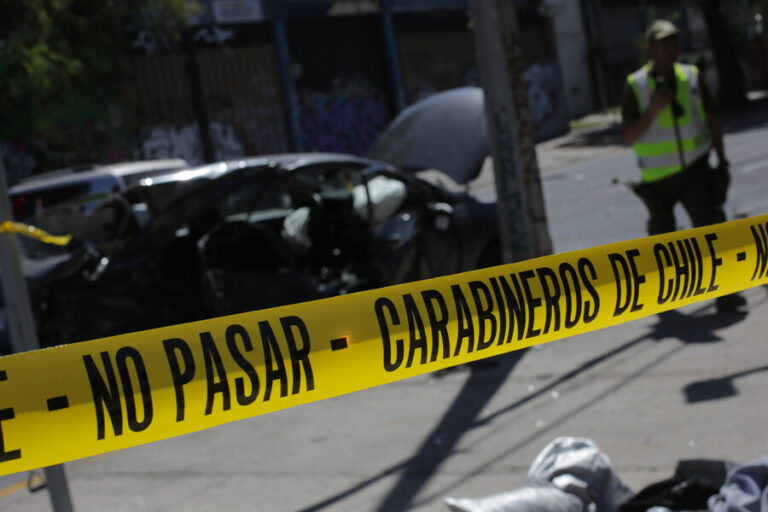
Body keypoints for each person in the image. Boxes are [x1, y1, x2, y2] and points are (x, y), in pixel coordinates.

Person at [621, 19, 746, 314]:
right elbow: (628, 134)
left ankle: (726, 294)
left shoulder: (691, 76)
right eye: (663, 43)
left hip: (695, 169)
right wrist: (653, 110)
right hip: (657, 177)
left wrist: (722, 159)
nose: (670, 48)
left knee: (711, 231)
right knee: (662, 241)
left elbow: (713, 117)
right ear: (650, 48)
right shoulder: (636, 86)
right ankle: (662, 298)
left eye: (674, 42)